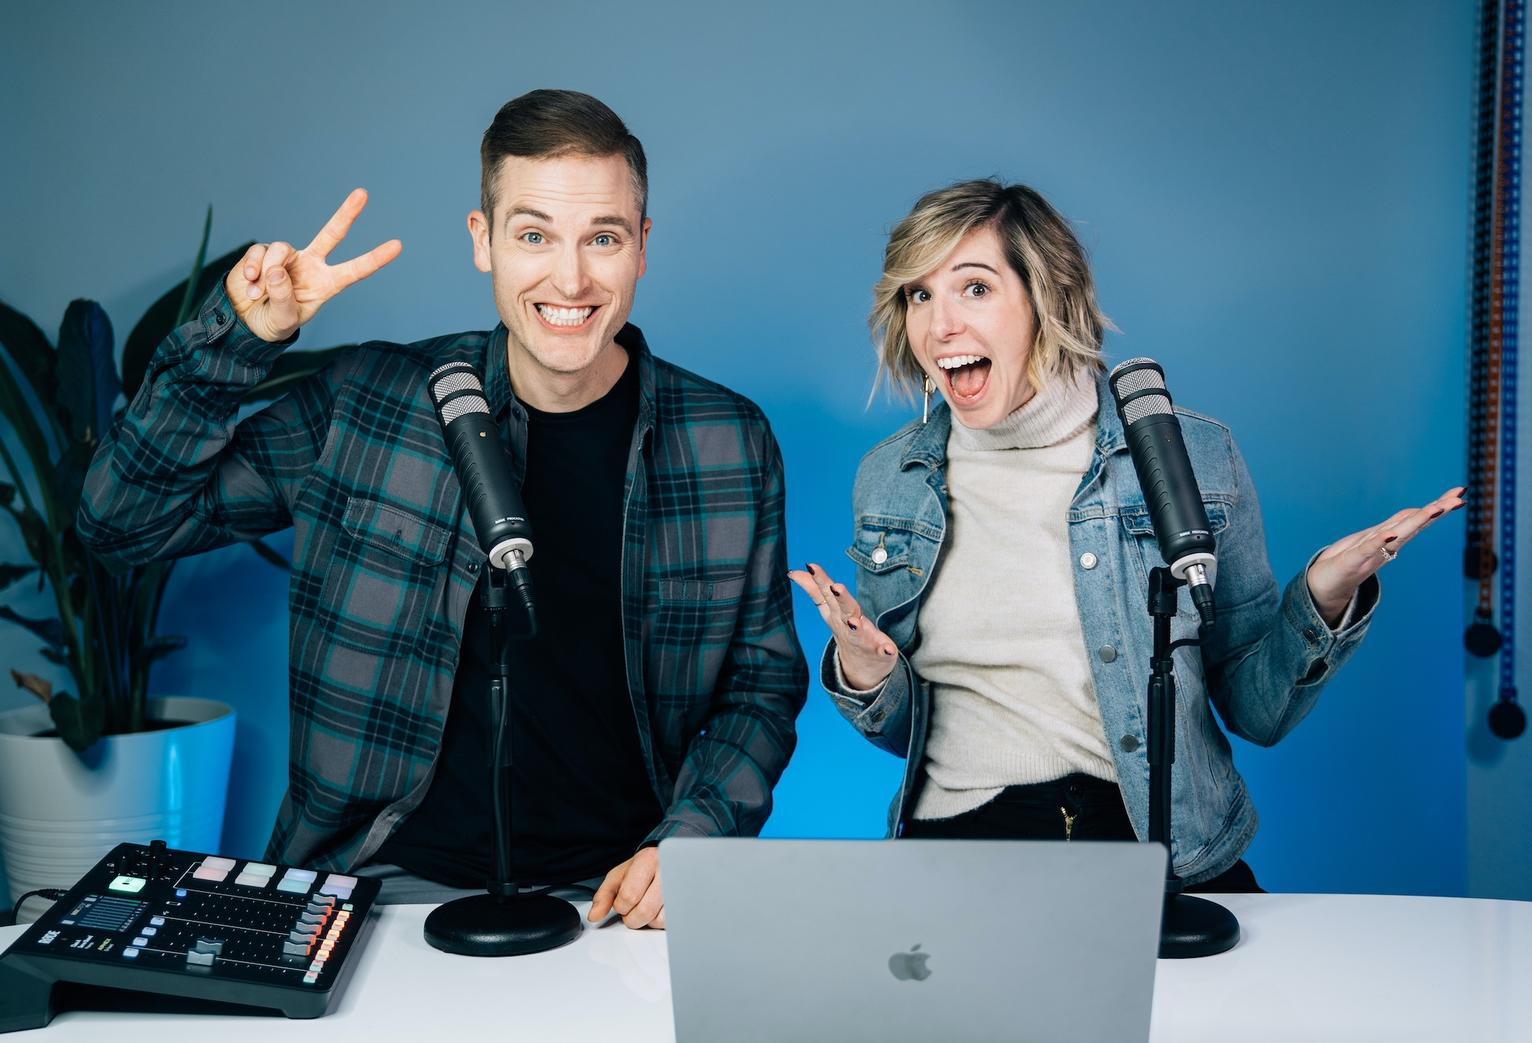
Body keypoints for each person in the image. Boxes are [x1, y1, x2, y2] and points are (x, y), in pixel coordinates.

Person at [79, 90, 807, 929]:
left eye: (602, 238)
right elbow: (119, 521)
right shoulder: (369, 399)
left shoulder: (727, 439)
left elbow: (761, 684)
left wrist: (693, 838)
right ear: (481, 240)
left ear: (642, 246)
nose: (570, 279)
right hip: (374, 888)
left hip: (620, 900)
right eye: (533, 235)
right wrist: (239, 342)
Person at [789, 178, 1460, 890]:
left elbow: (1256, 710)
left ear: (1049, 298)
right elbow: (904, 733)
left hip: (1158, 851)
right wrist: (867, 673)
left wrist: (1324, 596)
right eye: (919, 295)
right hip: (956, 854)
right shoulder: (892, 480)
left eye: (975, 288)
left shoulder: (1190, 458)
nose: (939, 326)